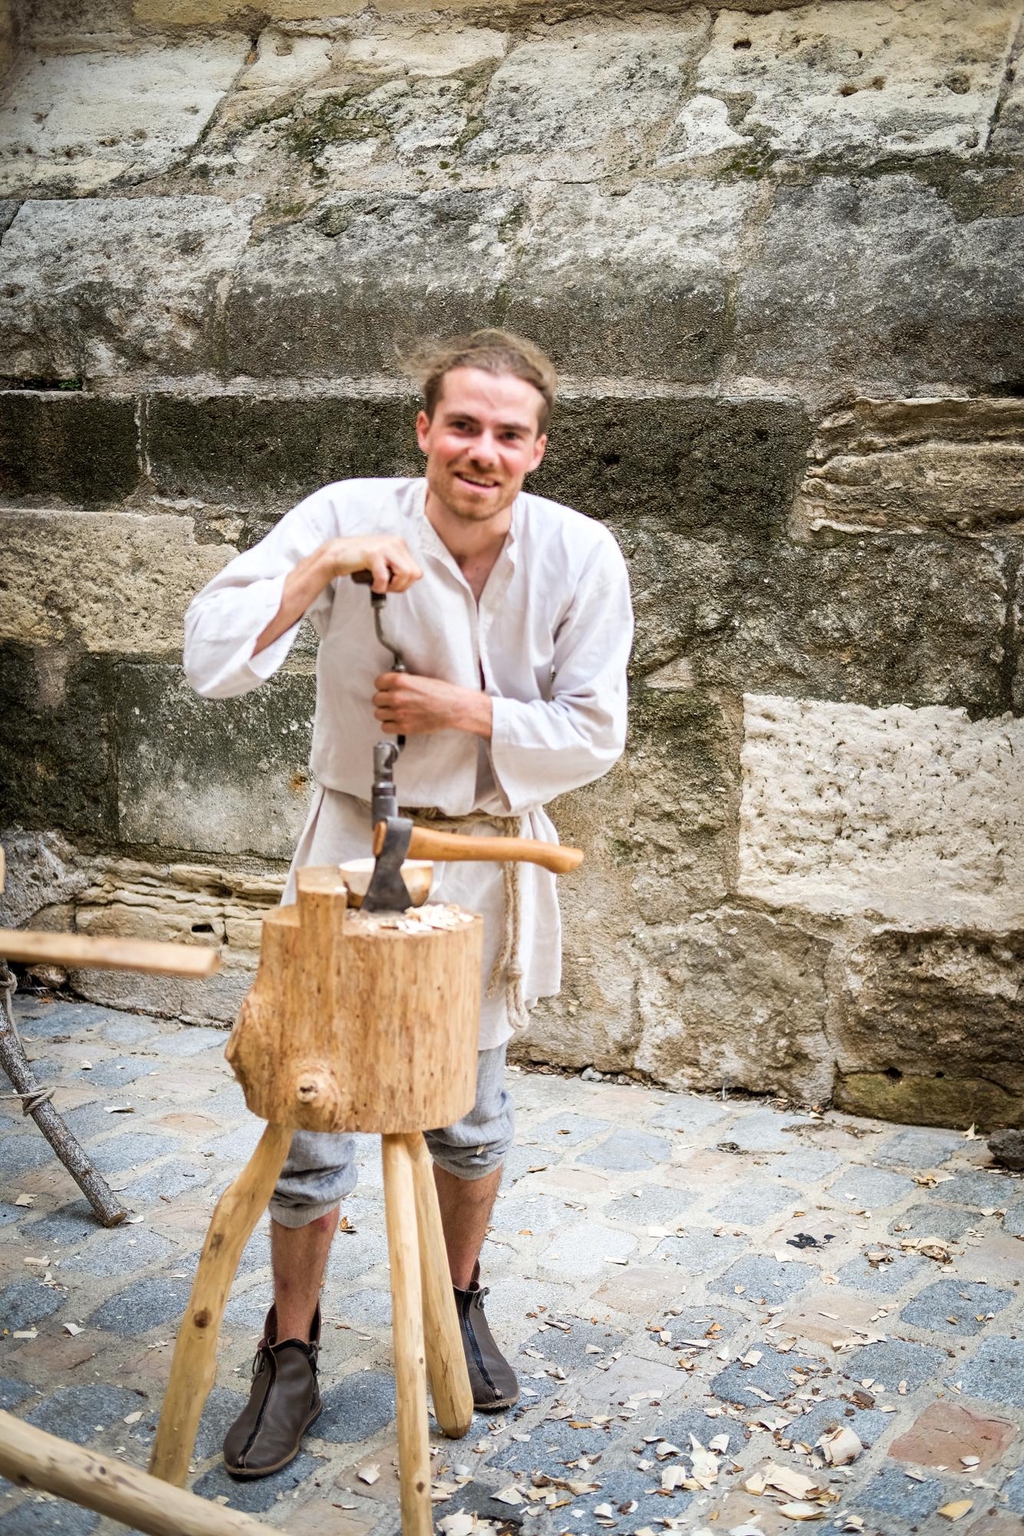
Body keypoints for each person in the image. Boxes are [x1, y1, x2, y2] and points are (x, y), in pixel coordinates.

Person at [183, 329, 634, 1480]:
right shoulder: (347, 511)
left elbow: (594, 730)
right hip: (352, 844)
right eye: (463, 426)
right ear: (423, 431)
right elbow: (211, 653)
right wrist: (323, 567)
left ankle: (459, 1299)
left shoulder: (580, 554)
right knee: (313, 1116)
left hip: (484, 853)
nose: (482, 450)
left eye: (508, 433)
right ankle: (290, 1349)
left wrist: (461, 709)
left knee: (470, 1112)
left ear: (537, 448)